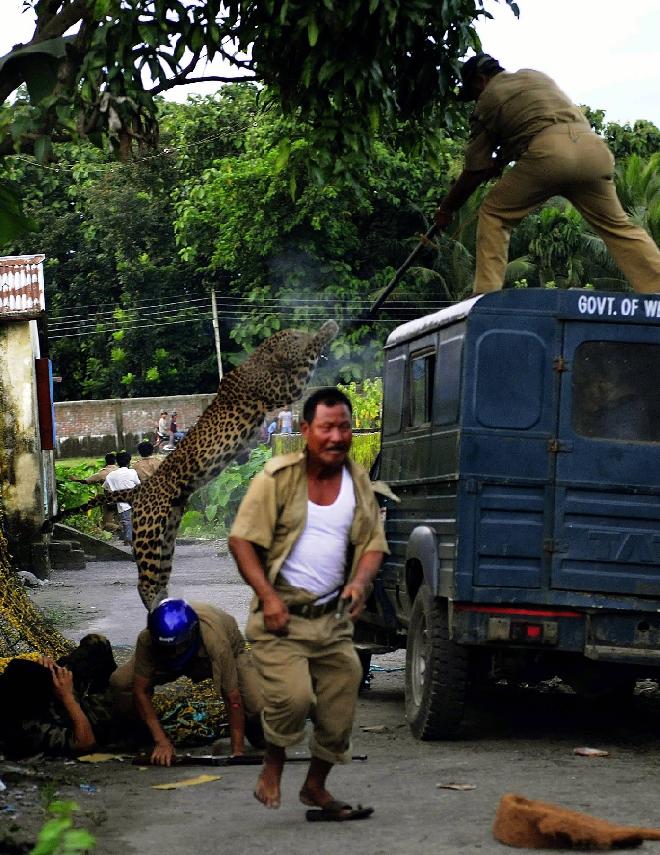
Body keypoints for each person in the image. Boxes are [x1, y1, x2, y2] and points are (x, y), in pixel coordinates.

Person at [228, 387, 388, 821]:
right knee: (295, 699)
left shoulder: (357, 481)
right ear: (305, 431)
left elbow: (373, 544)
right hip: (281, 618)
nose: (337, 436)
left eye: (344, 427)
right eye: (326, 428)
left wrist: (358, 583)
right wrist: (267, 598)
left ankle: (315, 785)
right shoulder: (277, 479)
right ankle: (273, 765)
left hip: (331, 619)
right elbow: (241, 541)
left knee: (341, 701)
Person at [435, 54, 660, 295]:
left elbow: (474, 169)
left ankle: (486, 296)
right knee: (619, 227)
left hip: (549, 155)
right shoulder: (534, 77)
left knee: (494, 213)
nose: (475, 99)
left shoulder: (488, 98)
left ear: (480, 80)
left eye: (473, 92)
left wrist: (447, 209)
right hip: (594, 151)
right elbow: (532, 121)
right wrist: (501, 161)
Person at [109, 599, 264, 766]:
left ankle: (250, 725)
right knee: (121, 682)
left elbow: (232, 698)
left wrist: (237, 752)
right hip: (166, 658)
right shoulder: (147, 639)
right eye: (167, 649)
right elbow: (140, 691)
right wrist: (161, 741)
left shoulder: (217, 642)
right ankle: (141, 731)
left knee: (255, 704)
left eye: (177, 648)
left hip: (221, 650)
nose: (174, 654)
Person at [0, 635, 118, 759]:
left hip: (50, 695)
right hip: (75, 714)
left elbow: (21, 678)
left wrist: (49, 667)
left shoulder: (13, 689)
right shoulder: (30, 729)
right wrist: (68, 697)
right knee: (116, 700)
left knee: (96, 643)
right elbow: (86, 743)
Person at [69, 452, 119, 532]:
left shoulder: (102, 473)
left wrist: (75, 479)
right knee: (120, 520)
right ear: (116, 461)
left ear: (106, 461)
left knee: (107, 524)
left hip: (110, 501)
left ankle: (118, 529)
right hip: (124, 499)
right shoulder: (121, 471)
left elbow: (86, 481)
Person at [103, 450, 140, 545]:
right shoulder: (132, 472)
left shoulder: (110, 476)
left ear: (117, 462)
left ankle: (130, 544)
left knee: (127, 525)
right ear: (129, 461)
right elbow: (138, 484)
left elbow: (106, 488)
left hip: (123, 506)